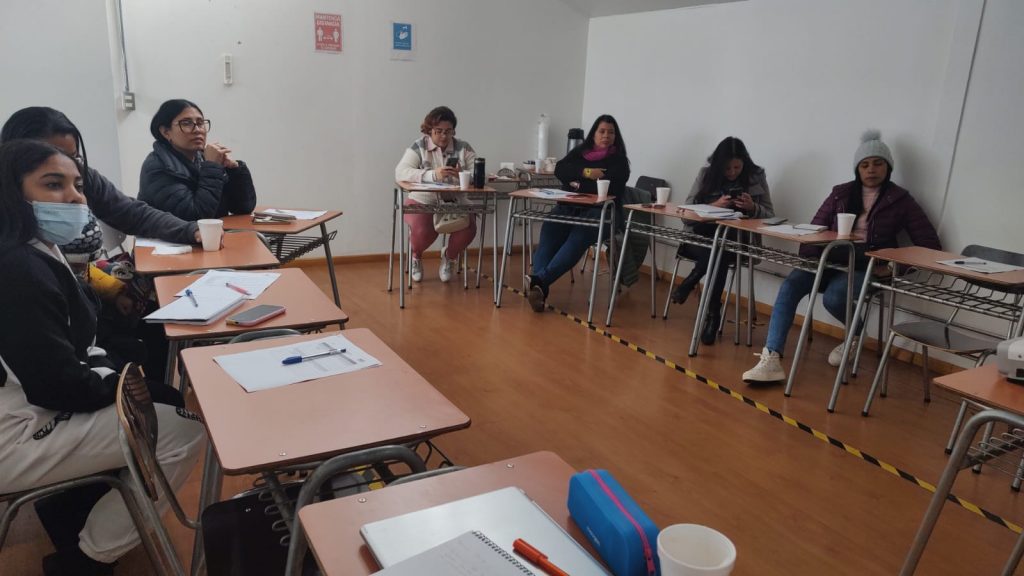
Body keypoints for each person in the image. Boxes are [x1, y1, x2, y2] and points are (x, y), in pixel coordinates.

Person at [0, 140, 206, 575]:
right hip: (17, 430)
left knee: (163, 401)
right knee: (185, 431)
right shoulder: (17, 268)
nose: (75, 197)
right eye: (52, 185)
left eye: (77, 185)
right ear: (11, 192)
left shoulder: (37, 249)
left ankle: (71, 511)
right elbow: (55, 384)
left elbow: (79, 346)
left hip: (33, 405)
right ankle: (86, 558)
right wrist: (125, 387)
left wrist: (122, 381)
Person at [742, 130, 941, 384]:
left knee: (835, 296)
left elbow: (929, 246)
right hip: (831, 259)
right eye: (865, 165)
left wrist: (892, 269)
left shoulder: (901, 200)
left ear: (888, 167)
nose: (871, 170)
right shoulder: (841, 193)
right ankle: (771, 358)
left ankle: (856, 334)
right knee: (791, 285)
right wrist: (813, 258)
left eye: (878, 163)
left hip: (868, 266)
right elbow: (814, 229)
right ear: (857, 169)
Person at [1, 106, 200, 244]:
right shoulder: (15, 256)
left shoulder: (83, 175)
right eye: (53, 184)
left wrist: (192, 231)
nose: (67, 166)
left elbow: (131, 212)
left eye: (73, 156)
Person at [672, 137, 774, 345]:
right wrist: (714, 206)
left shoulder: (756, 177)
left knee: (722, 249)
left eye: (737, 167)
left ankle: (691, 282)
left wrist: (752, 207)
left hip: (738, 241)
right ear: (718, 165)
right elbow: (686, 213)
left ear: (745, 164)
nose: (732, 172)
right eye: (727, 168)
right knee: (718, 252)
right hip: (700, 238)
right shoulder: (705, 175)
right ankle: (713, 315)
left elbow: (770, 215)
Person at [527, 114, 630, 312]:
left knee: (578, 237)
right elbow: (561, 170)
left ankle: (538, 281)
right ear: (594, 134)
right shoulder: (581, 152)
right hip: (569, 207)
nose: (606, 135)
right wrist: (587, 173)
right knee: (550, 227)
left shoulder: (619, 161)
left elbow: (610, 188)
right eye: (602, 131)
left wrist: (577, 183)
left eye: (611, 132)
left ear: (615, 136)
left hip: (601, 213)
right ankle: (539, 287)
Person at [394, 105, 478, 283]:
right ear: (429, 130)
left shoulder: (463, 147)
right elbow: (400, 172)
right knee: (424, 231)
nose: (444, 136)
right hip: (423, 200)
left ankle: (449, 257)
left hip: (455, 201)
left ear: (454, 131)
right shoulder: (419, 146)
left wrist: (463, 174)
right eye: (438, 131)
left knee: (469, 228)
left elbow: (479, 175)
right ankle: (415, 256)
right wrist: (432, 175)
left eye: (448, 131)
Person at [139, 99, 257, 221]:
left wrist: (234, 170)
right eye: (186, 123)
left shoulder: (203, 158)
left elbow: (243, 207)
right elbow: (197, 217)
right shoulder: (157, 167)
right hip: (175, 233)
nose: (197, 130)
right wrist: (211, 167)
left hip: (215, 232)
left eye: (200, 123)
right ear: (166, 132)